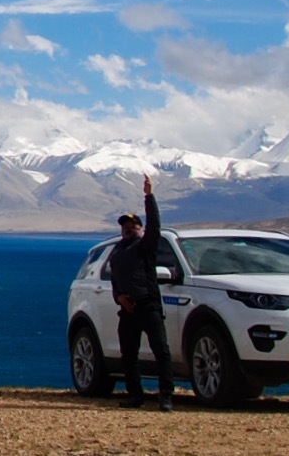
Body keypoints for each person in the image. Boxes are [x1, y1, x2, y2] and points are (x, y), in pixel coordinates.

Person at [109, 174, 173, 411]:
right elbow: (115, 278)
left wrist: (149, 196)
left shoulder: (146, 246)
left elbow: (155, 225)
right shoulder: (117, 250)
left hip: (148, 305)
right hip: (127, 308)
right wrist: (119, 297)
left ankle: (165, 396)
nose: (127, 229)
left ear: (140, 229)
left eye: (132, 226)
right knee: (128, 354)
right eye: (124, 227)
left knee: (161, 350)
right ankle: (135, 395)